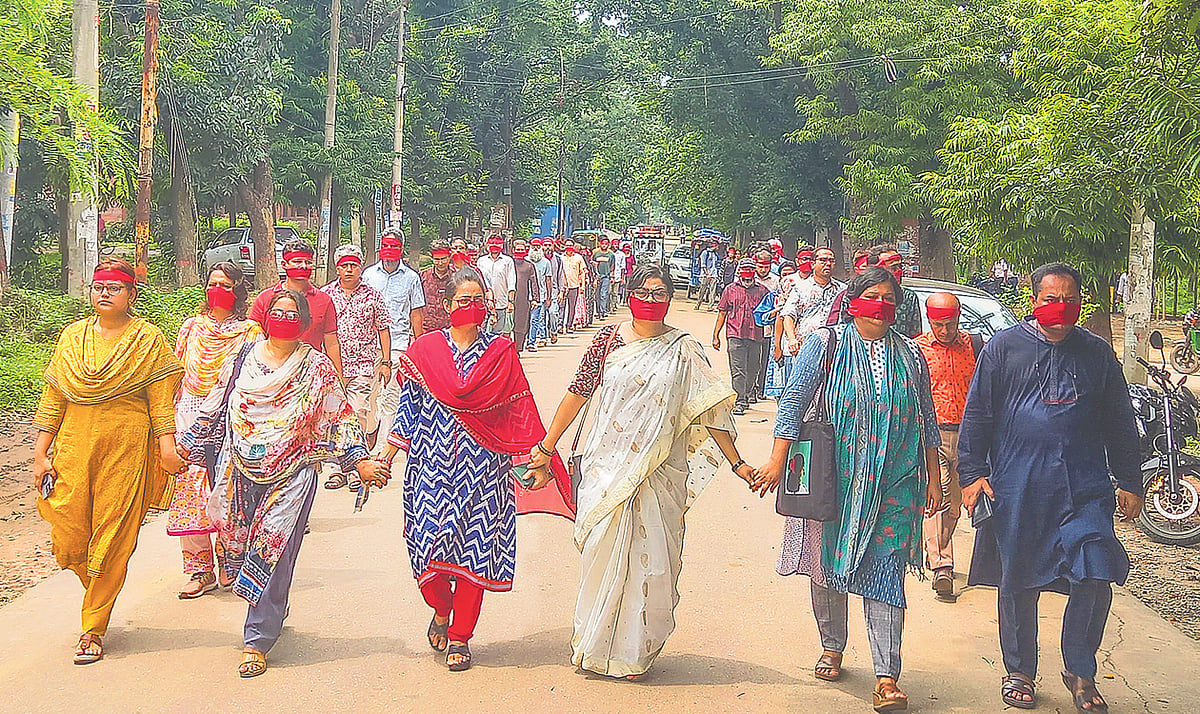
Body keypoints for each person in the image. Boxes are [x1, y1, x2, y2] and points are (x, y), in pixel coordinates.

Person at [530, 264, 754, 679]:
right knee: (602, 552)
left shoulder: (685, 350)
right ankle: (594, 645)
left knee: (653, 563)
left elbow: (709, 409)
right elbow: (578, 392)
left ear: (669, 298)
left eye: (659, 293)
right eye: (644, 292)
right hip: (606, 467)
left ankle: (635, 653)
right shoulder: (608, 340)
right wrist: (547, 445)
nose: (651, 300)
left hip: (659, 471)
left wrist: (737, 461)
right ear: (629, 293)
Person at [755, 266, 942, 713]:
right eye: (872, 296)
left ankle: (886, 677)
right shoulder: (825, 343)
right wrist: (777, 460)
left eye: (889, 299)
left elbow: (927, 418)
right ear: (853, 301)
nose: (880, 306)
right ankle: (832, 644)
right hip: (832, 479)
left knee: (887, 570)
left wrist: (935, 479)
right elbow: (793, 403)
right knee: (828, 565)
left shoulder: (911, 354)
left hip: (896, 482)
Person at [957, 262, 1143, 712]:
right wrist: (971, 473)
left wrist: (1130, 480)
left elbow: (1120, 421)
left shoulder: (1097, 354)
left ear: (1080, 303)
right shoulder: (1003, 348)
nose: (1060, 307)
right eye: (1050, 299)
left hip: (1085, 487)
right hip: (1019, 485)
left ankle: (1080, 669)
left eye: (1069, 300)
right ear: (1034, 300)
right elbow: (978, 413)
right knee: (1018, 578)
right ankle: (1020, 670)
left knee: (1095, 572)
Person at [178, 289, 389, 677]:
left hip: (292, 474)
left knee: (272, 551)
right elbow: (215, 402)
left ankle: (257, 640)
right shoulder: (242, 357)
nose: (285, 319)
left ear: (305, 324)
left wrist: (358, 461)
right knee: (239, 545)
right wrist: (186, 444)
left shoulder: (316, 367)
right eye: (278, 312)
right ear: (265, 317)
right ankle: (273, 606)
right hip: (238, 471)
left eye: (293, 314)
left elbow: (338, 414)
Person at [379, 270, 572, 672]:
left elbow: (519, 410)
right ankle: (440, 608)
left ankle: (460, 635)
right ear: (447, 305)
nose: (472, 306)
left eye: (479, 300)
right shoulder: (424, 351)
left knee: (473, 553)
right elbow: (408, 409)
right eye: (463, 300)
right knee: (425, 550)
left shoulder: (500, 352)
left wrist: (536, 456)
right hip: (428, 468)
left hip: (484, 470)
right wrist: (387, 454)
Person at [33, 258, 185, 664]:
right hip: (73, 448)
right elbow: (54, 398)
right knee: (68, 536)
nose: (104, 293)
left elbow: (160, 402)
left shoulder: (147, 339)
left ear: (131, 294)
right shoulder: (73, 337)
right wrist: (40, 453)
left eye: (114, 287)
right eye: (99, 286)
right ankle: (100, 591)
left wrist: (167, 448)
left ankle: (93, 628)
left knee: (113, 538)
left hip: (126, 449)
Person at [170, 262, 262, 598]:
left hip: (230, 419)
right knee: (190, 491)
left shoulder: (250, 332)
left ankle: (228, 559)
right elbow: (176, 373)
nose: (217, 289)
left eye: (225, 284)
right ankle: (199, 569)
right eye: (212, 283)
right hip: (189, 416)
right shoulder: (191, 328)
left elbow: (256, 376)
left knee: (226, 490)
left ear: (238, 290)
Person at [913, 292, 980, 602]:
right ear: (929, 321)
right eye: (938, 325)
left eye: (950, 324)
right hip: (933, 436)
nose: (944, 331)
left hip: (967, 435)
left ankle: (936, 549)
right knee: (936, 496)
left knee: (954, 505)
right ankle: (942, 564)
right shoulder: (917, 349)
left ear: (958, 319)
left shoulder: (974, 346)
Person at [321, 245, 392, 486]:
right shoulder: (326, 295)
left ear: (361, 267)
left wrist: (386, 361)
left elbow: (383, 329)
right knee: (334, 416)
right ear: (337, 268)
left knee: (358, 412)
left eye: (354, 265)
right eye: (344, 265)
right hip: (333, 367)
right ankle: (336, 468)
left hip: (363, 366)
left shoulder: (372, 295)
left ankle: (355, 466)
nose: (349, 269)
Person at [363, 229, 426, 440]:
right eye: (386, 246)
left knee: (391, 397)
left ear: (401, 249)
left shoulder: (412, 278)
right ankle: (370, 433)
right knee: (370, 396)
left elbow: (416, 314)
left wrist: (418, 347)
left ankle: (383, 445)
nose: (389, 250)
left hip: (398, 345)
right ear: (380, 248)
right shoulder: (368, 276)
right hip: (370, 346)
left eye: (394, 246)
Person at [249, 239, 343, 377]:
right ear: (284, 264)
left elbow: (331, 343)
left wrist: (338, 378)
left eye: (308, 262)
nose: (303, 266)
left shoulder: (324, 301)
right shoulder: (265, 298)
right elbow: (253, 338)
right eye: (297, 261)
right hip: (269, 373)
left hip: (309, 373)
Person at [713, 258, 770, 416]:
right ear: (739, 272)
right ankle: (740, 401)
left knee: (753, 369)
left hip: (756, 336)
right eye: (744, 269)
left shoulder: (763, 291)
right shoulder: (730, 290)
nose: (747, 273)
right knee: (738, 370)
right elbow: (722, 312)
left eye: (750, 270)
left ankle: (746, 392)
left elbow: (770, 312)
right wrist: (716, 335)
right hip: (735, 334)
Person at [827, 247, 922, 338]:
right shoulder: (852, 293)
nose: (898, 271)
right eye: (893, 267)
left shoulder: (909, 297)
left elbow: (915, 333)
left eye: (889, 298)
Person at [780, 246, 845, 365]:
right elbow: (788, 316)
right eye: (823, 260)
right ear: (813, 264)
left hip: (832, 349)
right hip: (803, 348)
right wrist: (792, 339)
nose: (828, 264)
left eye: (831, 260)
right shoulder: (799, 288)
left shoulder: (842, 290)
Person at [477, 234, 517, 336]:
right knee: (482, 332)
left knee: (498, 334)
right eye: (492, 243)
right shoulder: (481, 261)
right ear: (487, 245)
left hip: (501, 303)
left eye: (497, 243)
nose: (494, 245)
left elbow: (511, 282)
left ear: (502, 245)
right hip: (485, 303)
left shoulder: (508, 261)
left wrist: (510, 301)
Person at [511, 238, 541, 354]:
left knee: (521, 326)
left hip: (523, 300)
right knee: (507, 326)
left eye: (521, 250)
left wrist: (535, 299)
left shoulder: (529, 266)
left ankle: (518, 349)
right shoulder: (509, 263)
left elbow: (534, 283)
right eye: (517, 249)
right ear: (513, 250)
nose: (519, 252)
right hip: (509, 299)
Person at [420, 239, 454, 332]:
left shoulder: (456, 278)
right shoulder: (423, 277)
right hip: (427, 330)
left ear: (449, 257)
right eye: (437, 259)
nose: (440, 263)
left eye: (443, 259)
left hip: (450, 330)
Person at [528, 238, 553, 348]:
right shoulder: (526, 261)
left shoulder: (546, 262)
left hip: (541, 295)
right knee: (527, 320)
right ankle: (528, 339)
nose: (536, 248)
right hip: (527, 295)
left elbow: (548, 280)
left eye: (538, 246)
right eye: (533, 246)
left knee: (539, 318)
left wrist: (549, 297)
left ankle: (542, 338)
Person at [544, 238, 566, 344]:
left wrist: (561, 291)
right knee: (541, 317)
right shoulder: (537, 259)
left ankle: (553, 331)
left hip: (554, 291)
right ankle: (543, 337)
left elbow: (561, 276)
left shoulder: (558, 259)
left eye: (549, 245)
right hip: (541, 292)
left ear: (553, 246)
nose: (547, 247)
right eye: (545, 245)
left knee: (553, 313)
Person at [562, 240, 587, 334]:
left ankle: (569, 325)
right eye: (567, 245)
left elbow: (582, 273)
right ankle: (560, 325)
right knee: (561, 307)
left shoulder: (578, 258)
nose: (569, 247)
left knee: (572, 307)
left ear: (573, 246)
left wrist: (582, 286)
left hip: (574, 286)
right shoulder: (560, 258)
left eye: (570, 245)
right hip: (563, 287)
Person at [592, 237, 615, 316]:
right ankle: (598, 311)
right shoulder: (596, 254)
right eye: (602, 244)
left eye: (606, 244)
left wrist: (612, 277)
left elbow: (612, 266)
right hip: (597, 277)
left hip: (606, 277)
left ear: (608, 245)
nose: (604, 245)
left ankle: (603, 312)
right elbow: (592, 265)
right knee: (597, 295)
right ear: (600, 244)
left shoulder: (611, 255)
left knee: (603, 294)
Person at [697, 240, 722, 310]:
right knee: (702, 290)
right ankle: (698, 303)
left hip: (714, 275)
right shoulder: (705, 253)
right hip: (705, 275)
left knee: (713, 291)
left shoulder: (715, 254)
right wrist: (707, 274)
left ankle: (711, 305)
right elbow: (703, 265)